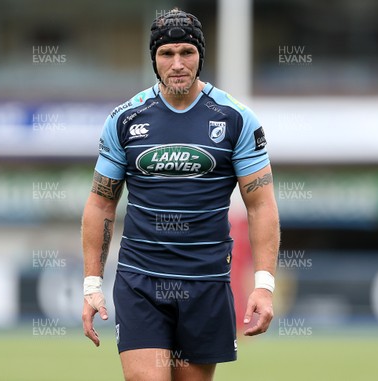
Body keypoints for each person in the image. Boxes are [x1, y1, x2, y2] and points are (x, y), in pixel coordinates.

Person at [82, 8, 280, 381]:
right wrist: (92, 284)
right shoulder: (124, 120)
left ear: (200, 56)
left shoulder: (236, 119)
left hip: (205, 282)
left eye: (186, 52)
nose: (177, 64)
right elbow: (100, 203)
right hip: (140, 280)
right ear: (154, 59)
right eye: (166, 53)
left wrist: (264, 285)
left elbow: (261, 205)